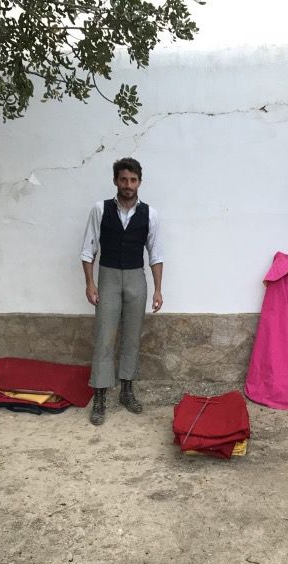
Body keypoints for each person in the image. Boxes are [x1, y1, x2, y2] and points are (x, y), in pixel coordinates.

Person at [81, 157, 164, 426]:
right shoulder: (100, 209)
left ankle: (127, 390)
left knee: (132, 335)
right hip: (108, 276)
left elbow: (156, 253)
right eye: (123, 179)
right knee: (105, 334)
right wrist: (90, 283)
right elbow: (88, 249)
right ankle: (100, 396)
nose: (128, 185)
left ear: (139, 182)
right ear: (115, 180)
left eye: (133, 180)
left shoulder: (150, 214)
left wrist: (158, 290)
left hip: (136, 277)